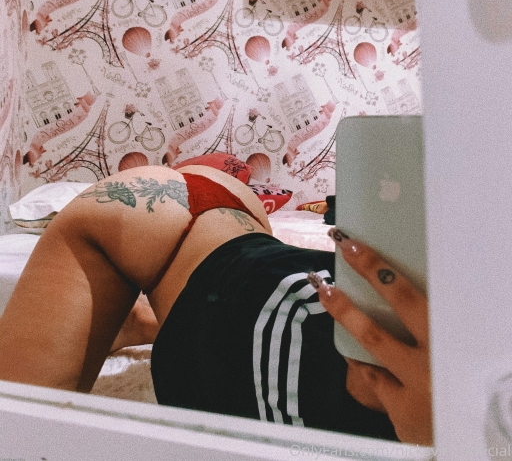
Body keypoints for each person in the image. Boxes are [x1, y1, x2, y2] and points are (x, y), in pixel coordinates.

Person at [0, 165, 432, 445]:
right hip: (153, 215)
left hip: (237, 239)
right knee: (16, 432)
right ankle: (139, 319)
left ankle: (141, 322)